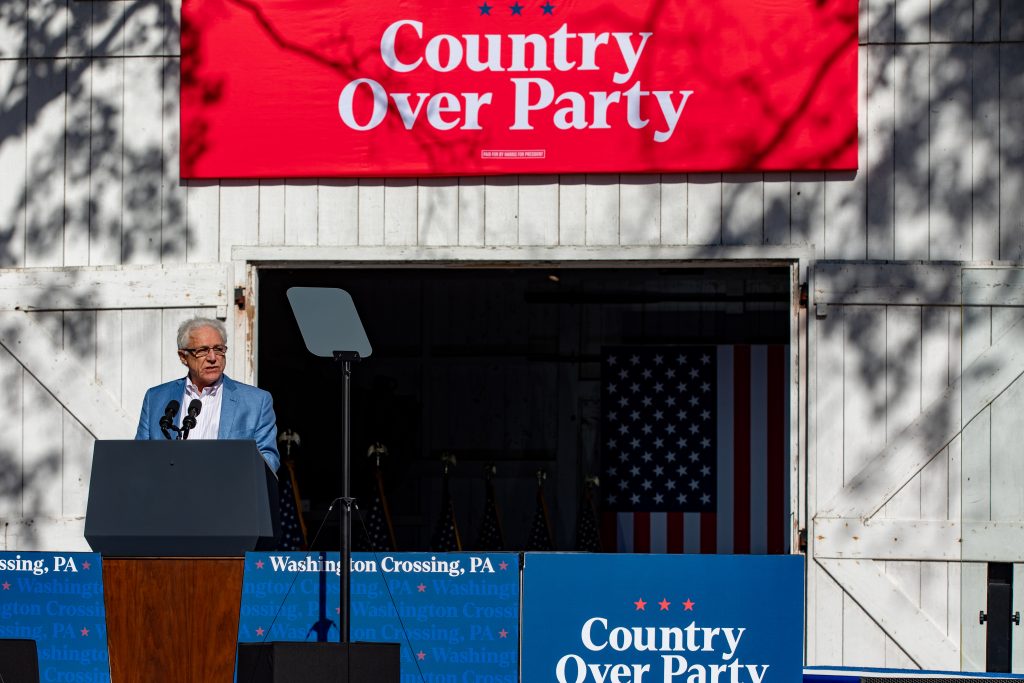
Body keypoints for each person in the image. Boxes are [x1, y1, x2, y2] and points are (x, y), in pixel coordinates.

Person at [135, 317, 281, 473]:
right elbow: (139, 457)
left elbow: (269, 461)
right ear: (183, 357)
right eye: (203, 350)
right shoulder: (156, 398)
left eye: (218, 349)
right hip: (169, 494)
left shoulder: (256, 402)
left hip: (227, 493)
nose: (212, 358)